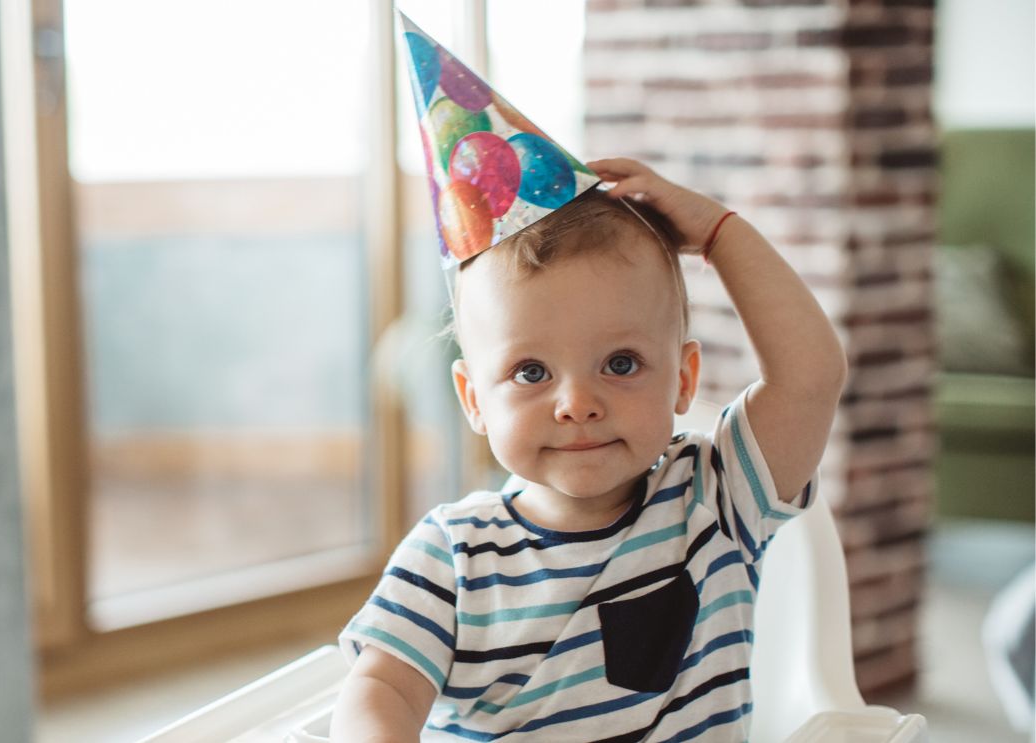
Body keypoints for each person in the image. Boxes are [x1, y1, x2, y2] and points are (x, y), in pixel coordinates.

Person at [330, 158, 849, 742]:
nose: (577, 403)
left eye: (620, 364)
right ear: (473, 399)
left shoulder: (716, 498)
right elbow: (383, 690)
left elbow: (811, 376)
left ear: (682, 379)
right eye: (531, 372)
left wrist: (719, 233)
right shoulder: (451, 554)